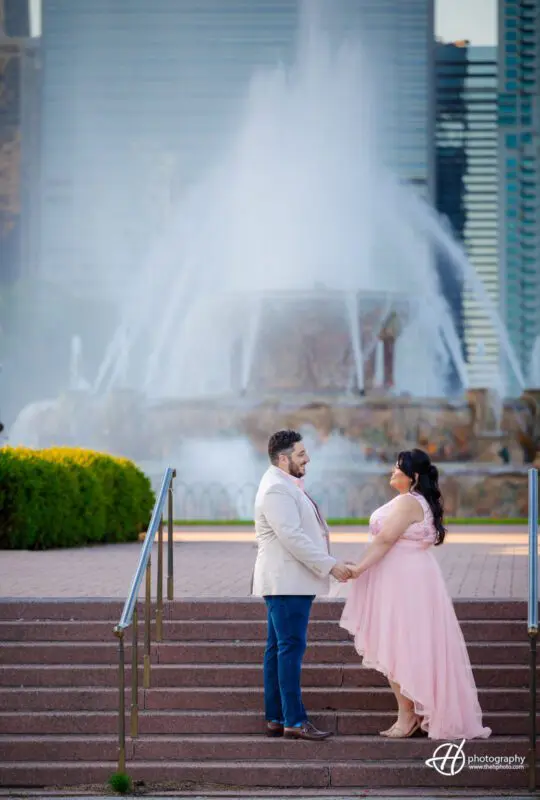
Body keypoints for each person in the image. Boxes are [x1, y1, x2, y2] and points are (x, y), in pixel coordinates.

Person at [340, 448, 491, 741]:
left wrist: (358, 569)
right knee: (403, 643)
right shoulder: (408, 500)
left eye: (398, 468)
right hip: (405, 577)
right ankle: (411, 711)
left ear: (414, 476)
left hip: (404, 581)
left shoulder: (409, 502)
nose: (392, 472)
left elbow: (385, 539)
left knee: (399, 643)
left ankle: (407, 715)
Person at [252, 429, 352, 741]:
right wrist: (330, 565)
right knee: (290, 649)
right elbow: (292, 538)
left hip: (287, 582)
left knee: (278, 650)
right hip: (287, 583)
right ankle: (294, 721)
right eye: (300, 454)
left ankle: (277, 717)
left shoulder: (282, 483)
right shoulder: (276, 490)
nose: (307, 458)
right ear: (283, 459)